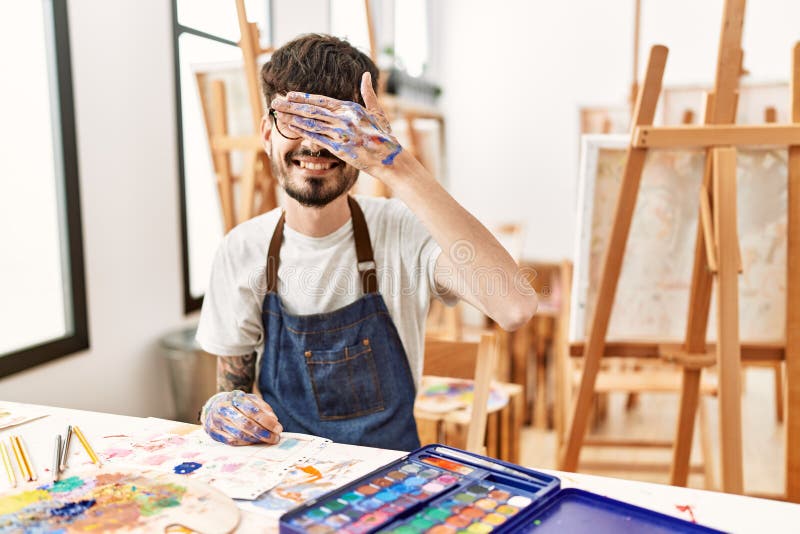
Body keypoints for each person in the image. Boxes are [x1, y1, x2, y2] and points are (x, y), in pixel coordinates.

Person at [197, 33, 537, 451]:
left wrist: (396, 165)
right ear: (267, 133)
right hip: (287, 484)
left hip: (390, 481)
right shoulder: (242, 249)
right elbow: (234, 392)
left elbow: (515, 306)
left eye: (337, 127)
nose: (315, 143)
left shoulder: (403, 232)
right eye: (296, 121)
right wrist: (221, 408)